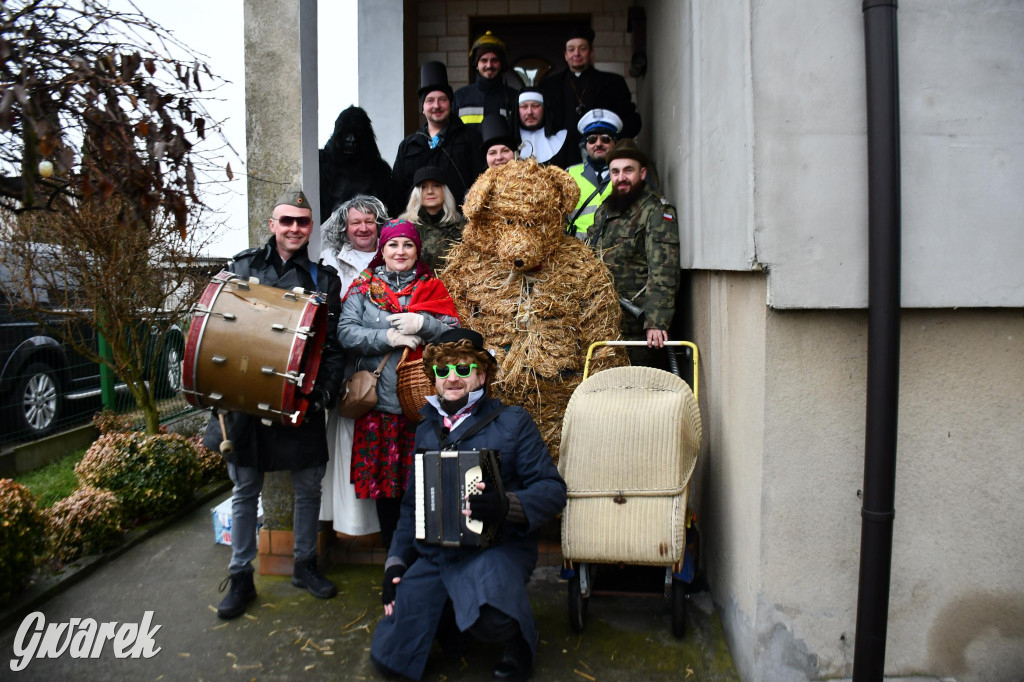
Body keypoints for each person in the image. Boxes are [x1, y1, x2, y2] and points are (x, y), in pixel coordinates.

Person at [370, 328, 567, 682]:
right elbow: (411, 508)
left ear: (481, 373)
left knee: (494, 619)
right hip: (436, 553)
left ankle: (520, 641)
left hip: (496, 549)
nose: (452, 379)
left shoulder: (513, 422)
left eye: (462, 369)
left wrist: (508, 505)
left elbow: (553, 489)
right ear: (433, 379)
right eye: (443, 371)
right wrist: (395, 563)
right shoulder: (426, 430)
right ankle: (449, 622)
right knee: (391, 660)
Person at [206, 189, 345, 620]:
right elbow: (217, 331)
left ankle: (305, 565)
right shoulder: (243, 267)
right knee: (246, 489)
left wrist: (324, 391)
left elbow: (334, 347)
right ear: (272, 224)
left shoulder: (325, 280)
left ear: (310, 227)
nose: (294, 229)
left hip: (299, 398)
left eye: (302, 222)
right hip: (247, 400)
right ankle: (242, 575)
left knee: (308, 488)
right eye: (286, 221)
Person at [337, 220, 459, 550]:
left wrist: (425, 324)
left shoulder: (433, 285)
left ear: (417, 250)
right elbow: (345, 333)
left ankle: (425, 559)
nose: (400, 251)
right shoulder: (364, 288)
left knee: (425, 487)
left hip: (425, 405)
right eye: (393, 245)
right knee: (387, 491)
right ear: (383, 250)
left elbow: (455, 331)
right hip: (380, 406)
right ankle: (395, 559)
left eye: (407, 245)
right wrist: (386, 337)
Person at [318, 194, 389, 537]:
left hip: (382, 361)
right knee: (346, 431)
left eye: (369, 220)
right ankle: (348, 520)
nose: (363, 227)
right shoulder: (331, 259)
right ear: (345, 227)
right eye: (355, 222)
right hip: (346, 361)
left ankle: (378, 521)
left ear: (379, 223)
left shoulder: (393, 253)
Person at [584, 139, 680, 367]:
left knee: (637, 392)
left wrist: (657, 322)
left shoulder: (656, 211)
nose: (621, 177)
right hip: (604, 321)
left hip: (638, 327)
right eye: (615, 171)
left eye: (629, 170)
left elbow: (664, 271)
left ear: (642, 173)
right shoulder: (606, 210)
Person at [391, 62, 484, 216]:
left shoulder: (470, 139)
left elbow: (481, 183)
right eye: (430, 100)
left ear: (450, 104)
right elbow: (397, 192)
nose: (436, 105)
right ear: (422, 107)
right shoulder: (408, 146)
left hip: (459, 226)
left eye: (442, 99)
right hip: (417, 227)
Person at [539, 26, 642, 155]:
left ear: (591, 53)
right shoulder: (549, 86)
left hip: (603, 155)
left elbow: (631, 121)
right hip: (562, 156)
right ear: (566, 55)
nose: (576, 53)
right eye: (571, 49)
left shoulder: (613, 83)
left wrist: (611, 142)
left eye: (582, 49)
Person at [319, 106, 392, 220]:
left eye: (356, 134)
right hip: (329, 232)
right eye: (346, 134)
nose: (351, 140)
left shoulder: (379, 172)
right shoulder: (322, 165)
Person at [566, 108, 623, 237]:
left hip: (615, 252)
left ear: (615, 143)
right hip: (577, 253)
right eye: (592, 139)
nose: (598, 144)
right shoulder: (569, 175)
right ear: (585, 144)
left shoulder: (626, 175)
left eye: (606, 139)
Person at [398, 166, 466, 272]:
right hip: (416, 286)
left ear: (444, 190)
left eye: (436, 185)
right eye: (423, 187)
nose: (430, 191)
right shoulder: (405, 227)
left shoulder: (461, 226)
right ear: (417, 192)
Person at [454, 31, 519, 129]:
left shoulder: (515, 98)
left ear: (502, 64)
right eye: (484, 60)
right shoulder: (460, 97)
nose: (489, 65)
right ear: (476, 65)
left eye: (494, 60)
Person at [516, 88, 572, 168]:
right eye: (524, 106)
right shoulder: (507, 141)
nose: (529, 112)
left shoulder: (563, 138)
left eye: (535, 106)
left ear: (544, 109)